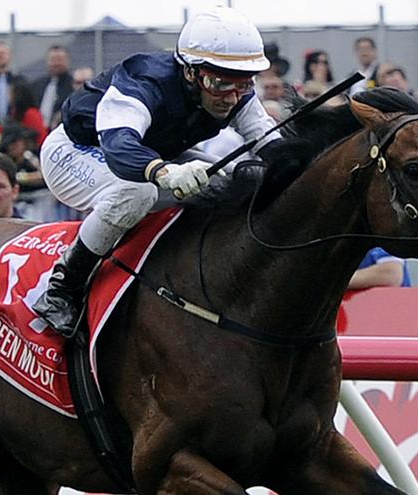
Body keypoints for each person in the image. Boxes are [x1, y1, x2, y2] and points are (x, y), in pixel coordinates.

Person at [31, 7, 278, 337]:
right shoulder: (144, 80)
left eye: (244, 85)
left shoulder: (234, 91)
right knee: (138, 192)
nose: (232, 98)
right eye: (219, 84)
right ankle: (62, 289)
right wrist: (163, 172)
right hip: (79, 151)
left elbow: (272, 144)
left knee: (233, 182)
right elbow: (120, 146)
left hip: (155, 155)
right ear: (190, 73)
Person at [33, 45, 73, 129]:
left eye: (59, 60)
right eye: (53, 60)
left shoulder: (73, 86)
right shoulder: (37, 85)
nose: (56, 63)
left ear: (67, 61)